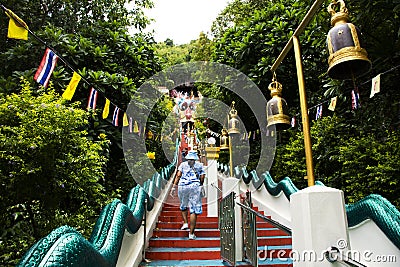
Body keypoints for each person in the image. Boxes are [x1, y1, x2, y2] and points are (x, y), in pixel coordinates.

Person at [170, 150, 205, 240]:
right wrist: (200, 185)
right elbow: (202, 177)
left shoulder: (182, 165)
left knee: (183, 205)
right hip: (194, 187)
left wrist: (174, 187)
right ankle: (191, 233)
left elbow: (178, 176)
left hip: (183, 187)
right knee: (193, 210)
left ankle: (185, 223)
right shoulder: (200, 165)